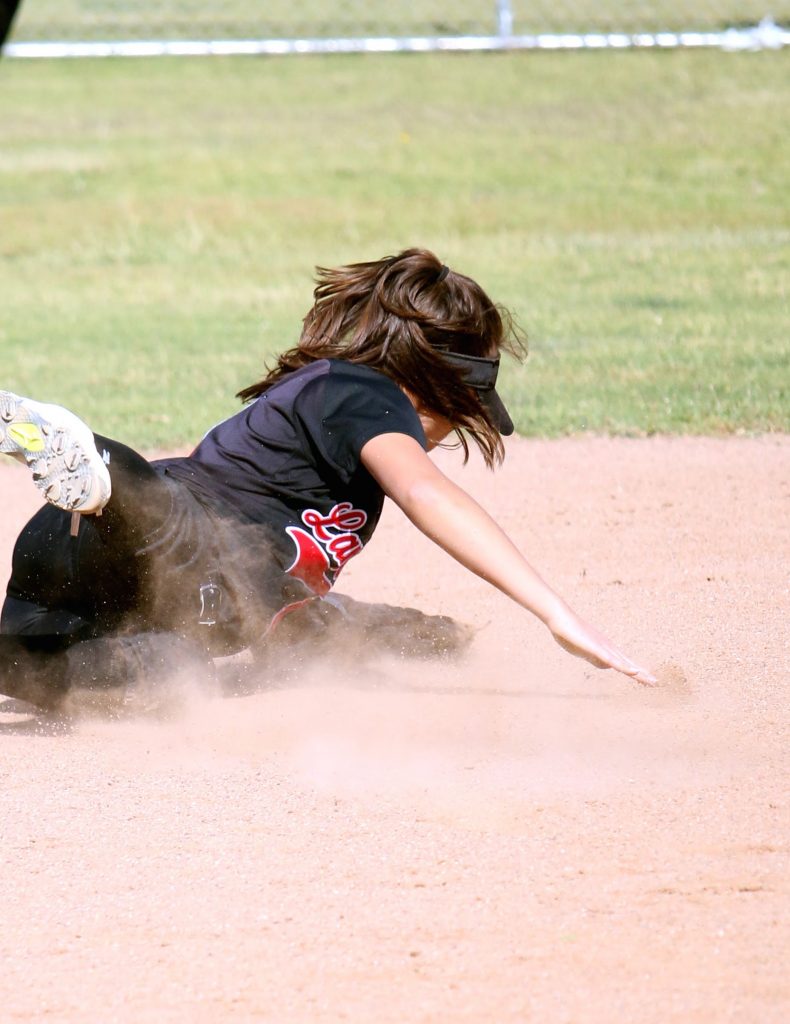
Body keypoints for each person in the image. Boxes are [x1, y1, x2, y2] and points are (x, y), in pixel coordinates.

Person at [0, 248, 655, 713]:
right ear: (440, 376)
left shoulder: (329, 433)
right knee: (168, 525)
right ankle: (88, 460)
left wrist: (418, 634)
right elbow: (427, 494)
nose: (454, 431)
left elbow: (302, 619)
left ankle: (89, 492)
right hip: (159, 533)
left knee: (148, 677)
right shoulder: (361, 391)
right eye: (464, 405)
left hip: (75, 578)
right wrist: (557, 615)